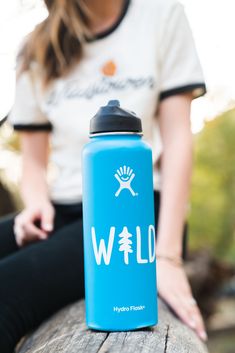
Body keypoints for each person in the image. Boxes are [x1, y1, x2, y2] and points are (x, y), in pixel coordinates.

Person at [0, 0, 207, 351]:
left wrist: (167, 255)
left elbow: (177, 138)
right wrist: (34, 205)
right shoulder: (36, 46)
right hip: (59, 213)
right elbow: (33, 161)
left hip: (140, 212)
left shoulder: (161, 13)